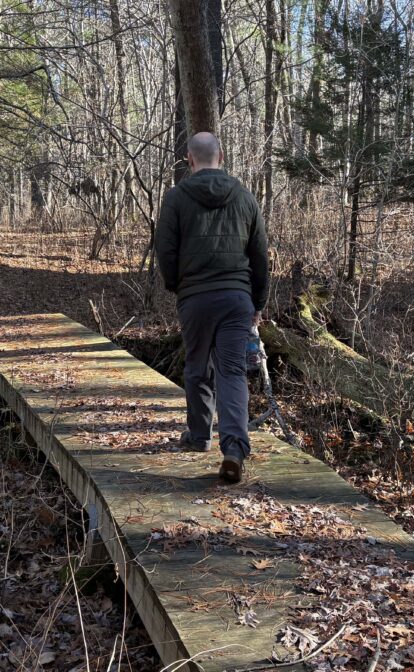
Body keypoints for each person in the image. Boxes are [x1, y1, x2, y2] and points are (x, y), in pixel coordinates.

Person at [155, 132, 269, 484]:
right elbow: (260, 256)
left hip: (196, 297)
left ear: (190, 159)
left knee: (197, 365)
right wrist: (258, 301)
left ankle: (200, 435)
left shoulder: (175, 198)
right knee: (232, 372)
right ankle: (234, 448)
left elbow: (166, 249)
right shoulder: (245, 197)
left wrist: (177, 285)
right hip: (237, 298)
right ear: (221, 155)